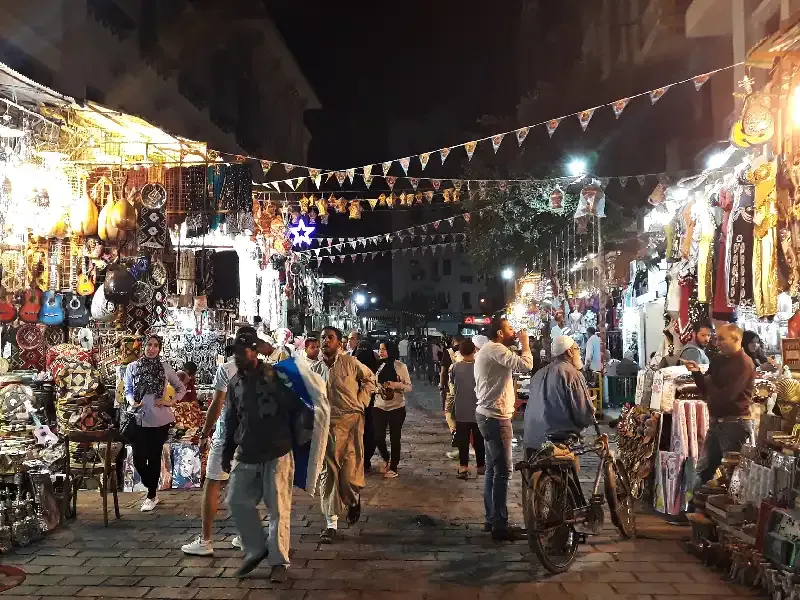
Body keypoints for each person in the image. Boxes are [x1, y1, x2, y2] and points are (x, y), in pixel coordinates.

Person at [181, 328, 274, 557]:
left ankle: (206, 540)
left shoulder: (227, 369)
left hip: (227, 434)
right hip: (252, 436)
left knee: (213, 483)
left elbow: (216, 404)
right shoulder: (264, 370)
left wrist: (205, 432)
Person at [220, 328, 304, 581]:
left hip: (276, 450)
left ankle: (278, 562)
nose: (238, 356)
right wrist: (227, 450)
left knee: (278, 508)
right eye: (236, 351)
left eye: (243, 351)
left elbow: (296, 406)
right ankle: (256, 549)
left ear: (254, 352)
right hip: (247, 451)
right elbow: (231, 419)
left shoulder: (275, 376)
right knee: (236, 500)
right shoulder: (235, 382)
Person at [312, 327, 377, 543]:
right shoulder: (314, 369)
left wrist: (362, 400)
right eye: (323, 338)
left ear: (339, 343)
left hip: (351, 424)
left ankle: (353, 498)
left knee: (349, 474)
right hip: (325, 427)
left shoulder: (351, 363)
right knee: (328, 475)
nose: (325, 341)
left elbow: (370, 379)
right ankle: (331, 524)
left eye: (330, 338)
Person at [474, 318, 533, 540]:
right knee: (503, 472)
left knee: (492, 469)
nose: (514, 331)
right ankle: (499, 523)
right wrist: (526, 344)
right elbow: (526, 365)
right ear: (500, 333)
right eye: (510, 328)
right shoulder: (495, 349)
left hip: (488, 415)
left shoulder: (490, 350)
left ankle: (492, 519)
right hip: (495, 418)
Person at [685, 324, 756, 488]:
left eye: (721, 339)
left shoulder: (744, 363)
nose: (717, 343)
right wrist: (696, 373)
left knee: (733, 473)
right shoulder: (718, 360)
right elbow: (707, 389)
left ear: (736, 339)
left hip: (734, 424)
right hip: (717, 421)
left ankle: (727, 510)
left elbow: (726, 396)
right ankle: (695, 507)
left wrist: (709, 384)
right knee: (703, 468)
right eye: (716, 338)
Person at [123, 335, 186, 512]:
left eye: (155, 345)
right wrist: (131, 401)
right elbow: (127, 389)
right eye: (149, 345)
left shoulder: (165, 368)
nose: (151, 348)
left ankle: (151, 495)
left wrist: (170, 402)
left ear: (160, 348)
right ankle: (151, 485)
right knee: (139, 459)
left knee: (153, 456)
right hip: (138, 418)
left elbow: (181, 388)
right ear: (143, 347)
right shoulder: (132, 367)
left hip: (160, 419)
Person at [523, 336, 595, 450]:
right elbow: (583, 413)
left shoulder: (539, 373)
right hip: (557, 442)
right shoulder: (573, 374)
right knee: (572, 456)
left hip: (531, 439)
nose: (579, 353)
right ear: (570, 352)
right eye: (577, 349)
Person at [374, 341, 413, 478]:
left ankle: (394, 467)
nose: (381, 352)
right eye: (380, 349)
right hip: (379, 406)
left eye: (384, 349)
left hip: (397, 407)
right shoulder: (378, 366)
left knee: (395, 438)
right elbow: (373, 384)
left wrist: (395, 385)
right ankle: (386, 457)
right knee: (378, 437)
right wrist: (380, 389)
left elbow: (409, 387)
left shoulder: (400, 366)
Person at [449, 339, 485, 479]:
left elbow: (452, 385)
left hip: (461, 409)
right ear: (474, 350)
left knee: (463, 440)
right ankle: (481, 466)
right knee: (479, 439)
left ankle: (463, 467)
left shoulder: (455, 367)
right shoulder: (480, 367)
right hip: (478, 408)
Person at [356, 340, 379, 473]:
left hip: (365, 403)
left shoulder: (355, 363)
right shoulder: (375, 364)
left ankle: (363, 460)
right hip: (365, 404)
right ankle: (364, 460)